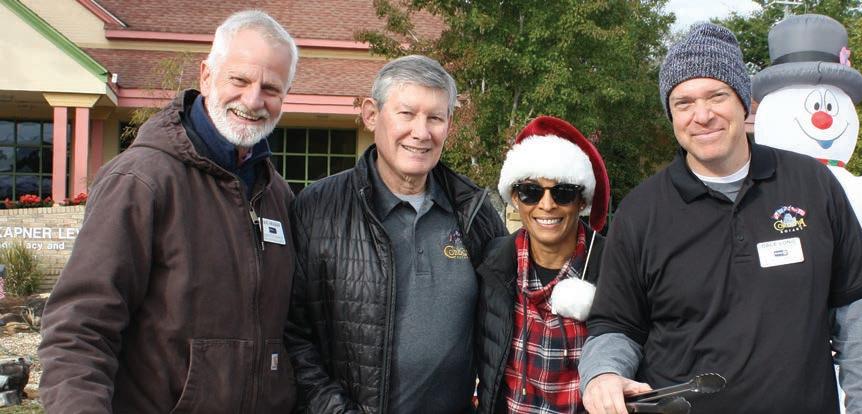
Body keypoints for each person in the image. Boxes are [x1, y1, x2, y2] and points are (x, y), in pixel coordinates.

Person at [579, 23, 862, 414]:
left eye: (717, 96)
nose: (702, 115)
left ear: (743, 102)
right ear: (671, 114)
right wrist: (602, 372)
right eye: (684, 103)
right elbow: (616, 325)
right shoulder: (641, 212)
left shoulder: (812, 184)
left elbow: (857, 313)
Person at [38, 10, 299, 413]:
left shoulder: (276, 194)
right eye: (239, 80)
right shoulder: (142, 180)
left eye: (271, 88)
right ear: (206, 76)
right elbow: (79, 329)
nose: (253, 100)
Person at [284, 55, 507, 413]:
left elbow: (507, 320)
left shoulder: (475, 211)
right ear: (371, 114)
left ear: (449, 125)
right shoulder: (317, 209)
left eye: (435, 118)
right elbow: (292, 335)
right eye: (406, 113)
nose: (421, 132)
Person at [476, 116, 611, 414]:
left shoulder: (615, 267)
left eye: (563, 193)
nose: (547, 205)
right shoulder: (492, 265)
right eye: (531, 192)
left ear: (581, 201)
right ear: (515, 198)